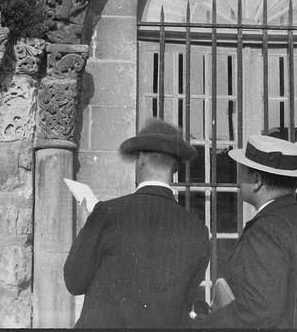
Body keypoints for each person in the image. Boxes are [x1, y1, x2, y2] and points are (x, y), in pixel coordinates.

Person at [64, 118, 210, 328]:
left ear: (140, 160)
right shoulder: (198, 230)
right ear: (175, 168)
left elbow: (75, 282)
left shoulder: (107, 213)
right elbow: (186, 301)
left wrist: (85, 227)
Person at [200, 134, 297, 329]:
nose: (238, 179)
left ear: (256, 180)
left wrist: (202, 325)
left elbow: (257, 312)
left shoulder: (266, 229)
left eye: (242, 172)